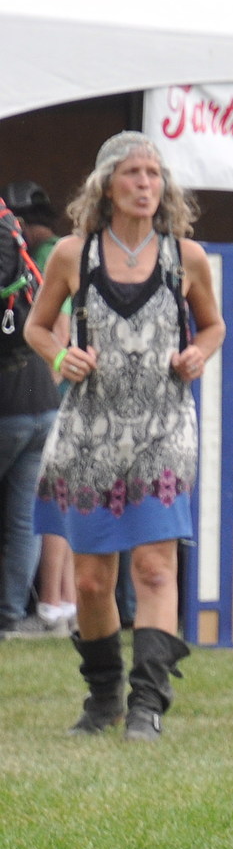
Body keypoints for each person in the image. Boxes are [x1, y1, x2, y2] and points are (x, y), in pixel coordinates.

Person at [21, 134, 225, 738]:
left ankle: (148, 703)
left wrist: (197, 354)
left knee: (156, 570)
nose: (146, 184)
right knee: (89, 579)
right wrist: (61, 359)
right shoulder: (71, 255)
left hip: (163, 426)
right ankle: (103, 695)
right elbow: (37, 326)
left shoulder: (185, 257)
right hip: (89, 431)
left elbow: (213, 327)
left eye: (155, 174)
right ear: (107, 184)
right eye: (133, 173)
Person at [0, 195, 58, 636]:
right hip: (42, 403)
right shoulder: (24, 266)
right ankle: (12, 615)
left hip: (7, 404)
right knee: (24, 519)